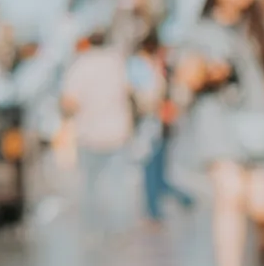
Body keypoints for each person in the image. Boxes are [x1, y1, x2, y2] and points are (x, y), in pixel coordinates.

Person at [178, 0, 264, 266]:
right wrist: (210, 73)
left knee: (263, 205)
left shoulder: (262, 26)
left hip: (258, 122)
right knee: (229, 195)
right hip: (217, 123)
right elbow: (186, 76)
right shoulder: (200, 30)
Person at [60, 30, 134, 225]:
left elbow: (69, 102)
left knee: (90, 185)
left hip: (89, 134)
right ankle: (119, 228)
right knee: (118, 185)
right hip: (118, 132)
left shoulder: (80, 65)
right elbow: (128, 91)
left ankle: (94, 227)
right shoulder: (117, 62)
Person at [128, 29, 194, 223]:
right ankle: (166, 206)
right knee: (153, 169)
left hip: (161, 122)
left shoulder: (158, 65)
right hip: (151, 122)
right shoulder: (143, 65)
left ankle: (160, 208)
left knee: (154, 169)